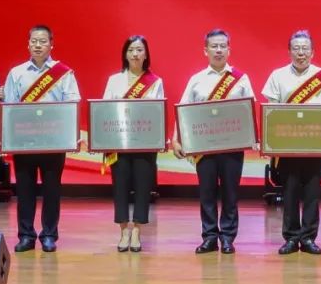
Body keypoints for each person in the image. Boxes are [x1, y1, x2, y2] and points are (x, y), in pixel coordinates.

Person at [175, 29, 255, 255]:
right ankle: (209, 236)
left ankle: (227, 237)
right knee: (207, 193)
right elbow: (183, 111)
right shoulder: (196, 80)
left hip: (232, 147)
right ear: (206, 50)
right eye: (214, 46)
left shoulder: (241, 79)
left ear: (229, 50)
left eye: (222, 46)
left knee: (231, 194)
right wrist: (176, 139)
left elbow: (249, 110)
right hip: (205, 149)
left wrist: (252, 137)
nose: (218, 50)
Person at [3, 24, 81, 253]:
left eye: (43, 41)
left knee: (51, 190)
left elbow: (72, 104)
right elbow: (9, 107)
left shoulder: (64, 73)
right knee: (24, 190)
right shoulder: (16, 73)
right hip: (24, 141)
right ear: (28, 44)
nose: (38, 45)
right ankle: (26, 235)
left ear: (51, 45)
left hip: (54, 142)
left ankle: (49, 235)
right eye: (34, 41)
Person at [261, 30, 321, 256]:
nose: (301, 53)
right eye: (296, 49)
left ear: (313, 52)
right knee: (290, 192)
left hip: (315, 145)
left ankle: (309, 237)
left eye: (305, 49)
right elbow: (271, 111)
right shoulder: (277, 76)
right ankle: (292, 237)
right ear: (289, 51)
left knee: (312, 194)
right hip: (288, 146)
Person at [102, 35, 163, 253]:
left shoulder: (155, 81)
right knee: (120, 187)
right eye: (131, 50)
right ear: (125, 54)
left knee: (143, 187)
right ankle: (123, 231)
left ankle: (137, 230)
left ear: (146, 54)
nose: (135, 54)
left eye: (139, 50)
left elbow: (158, 112)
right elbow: (105, 110)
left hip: (145, 143)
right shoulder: (114, 80)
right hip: (119, 143)